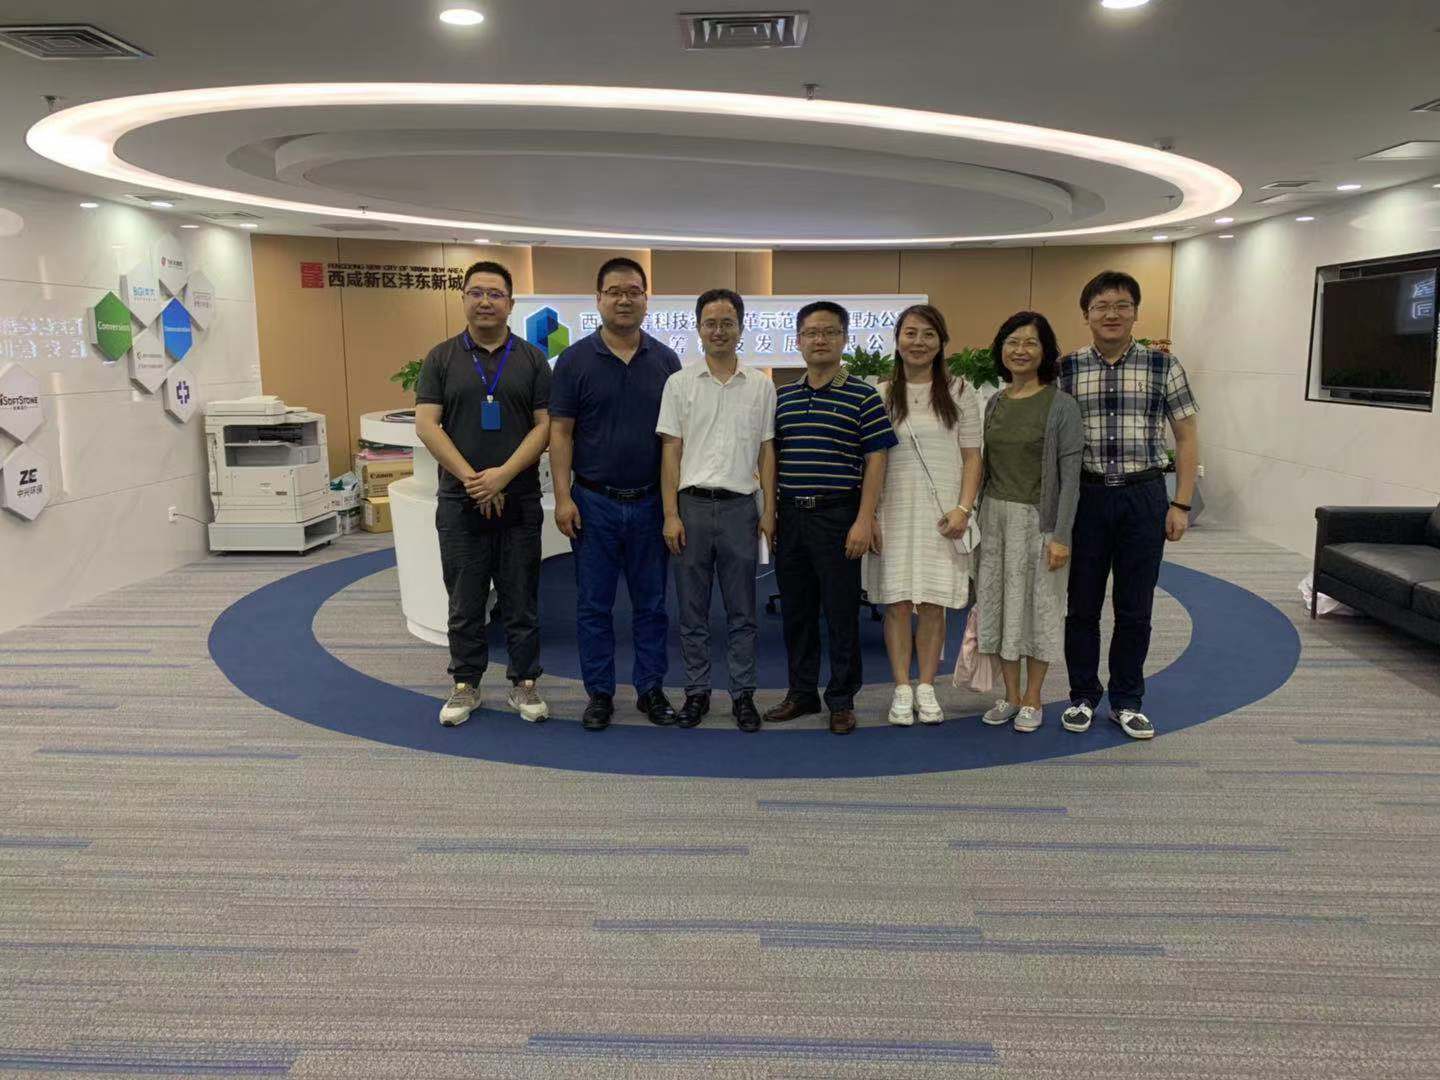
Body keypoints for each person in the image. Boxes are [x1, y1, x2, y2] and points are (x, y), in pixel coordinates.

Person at [1057, 270, 1199, 740]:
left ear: (1135, 312)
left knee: (1135, 607)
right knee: (1081, 606)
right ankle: (1082, 696)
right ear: (1086, 315)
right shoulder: (1067, 368)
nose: (1111, 314)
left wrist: (1181, 503)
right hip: (1087, 496)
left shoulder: (1164, 365)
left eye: (1121, 305)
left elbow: (1186, 435)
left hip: (1144, 494)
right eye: (1101, 306)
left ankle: (1127, 700)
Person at [414, 260, 553, 727]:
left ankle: (524, 682)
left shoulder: (532, 359)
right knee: (464, 600)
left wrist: (502, 477)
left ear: (511, 303)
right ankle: (465, 684)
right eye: (476, 292)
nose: (486, 301)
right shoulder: (441, 358)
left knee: (521, 598)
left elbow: (544, 427)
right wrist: (474, 479)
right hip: (460, 501)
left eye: (495, 294)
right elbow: (427, 425)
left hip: (519, 499)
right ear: (464, 300)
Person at [549, 257, 682, 731]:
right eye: (614, 292)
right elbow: (560, 433)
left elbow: (673, 441)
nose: (624, 300)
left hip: (650, 503)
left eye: (633, 291)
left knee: (652, 605)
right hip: (593, 503)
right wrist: (563, 498)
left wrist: (671, 508)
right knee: (593, 606)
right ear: (598, 299)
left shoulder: (666, 361)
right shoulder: (574, 360)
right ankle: (600, 694)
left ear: (646, 299)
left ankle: (651, 689)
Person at [764, 301, 897, 735]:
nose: (819, 340)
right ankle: (801, 693)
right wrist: (771, 514)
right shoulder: (782, 397)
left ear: (844, 339)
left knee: (840, 613)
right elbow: (772, 459)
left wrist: (864, 519)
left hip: (838, 515)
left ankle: (841, 699)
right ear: (798, 341)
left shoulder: (863, 395)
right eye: (811, 333)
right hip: (791, 516)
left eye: (829, 332)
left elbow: (876, 459)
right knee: (797, 612)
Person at [656, 288, 777, 732]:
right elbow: (671, 451)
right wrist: (670, 513)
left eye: (727, 323)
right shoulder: (679, 383)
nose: (719, 331)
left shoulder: (761, 385)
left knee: (743, 611)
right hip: (690, 507)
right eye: (711, 323)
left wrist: (769, 511)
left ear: (741, 328)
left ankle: (743, 695)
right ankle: (697, 692)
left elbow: (767, 452)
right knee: (692, 611)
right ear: (698, 328)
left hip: (740, 509)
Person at [867, 304, 982, 726]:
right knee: (897, 603)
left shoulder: (960, 391)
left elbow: (972, 457)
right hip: (893, 510)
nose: (919, 342)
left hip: (944, 515)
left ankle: (927, 687)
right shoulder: (879, 393)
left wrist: (963, 508)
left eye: (928, 334)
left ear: (941, 342)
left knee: (934, 604)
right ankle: (902, 688)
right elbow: (870, 460)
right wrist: (870, 515)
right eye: (911, 333)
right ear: (898, 340)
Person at [974, 312, 1083, 733]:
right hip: (994, 521)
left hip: (1040, 523)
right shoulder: (995, 402)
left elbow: (1070, 479)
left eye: (1031, 343)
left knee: (1039, 611)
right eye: (1013, 342)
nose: (1020, 350)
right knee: (1000, 609)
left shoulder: (1061, 406)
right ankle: (1010, 695)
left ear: (1045, 351)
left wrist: (1061, 536)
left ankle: (1034, 697)